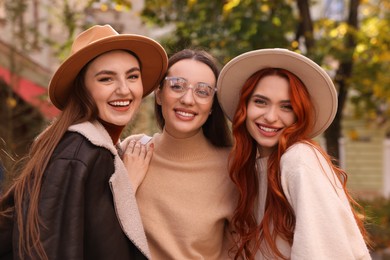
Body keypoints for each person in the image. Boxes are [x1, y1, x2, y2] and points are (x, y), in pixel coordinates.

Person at [0, 24, 167, 260]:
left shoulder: (89, 148)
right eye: (106, 79)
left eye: (132, 76)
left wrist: (123, 185)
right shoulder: (81, 152)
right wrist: (126, 186)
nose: (124, 89)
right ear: (83, 89)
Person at [217, 48, 371, 259]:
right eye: (260, 101)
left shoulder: (298, 159)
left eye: (286, 107)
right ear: (245, 106)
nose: (271, 116)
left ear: (299, 114)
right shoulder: (254, 167)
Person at [121, 49, 237, 259]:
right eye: (177, 86)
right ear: (159, 94)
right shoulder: (132, 150)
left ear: (212, 105)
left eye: (203, 91)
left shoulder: (232, 167)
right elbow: (99, 232)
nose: (188, 99)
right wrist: (126, 186)